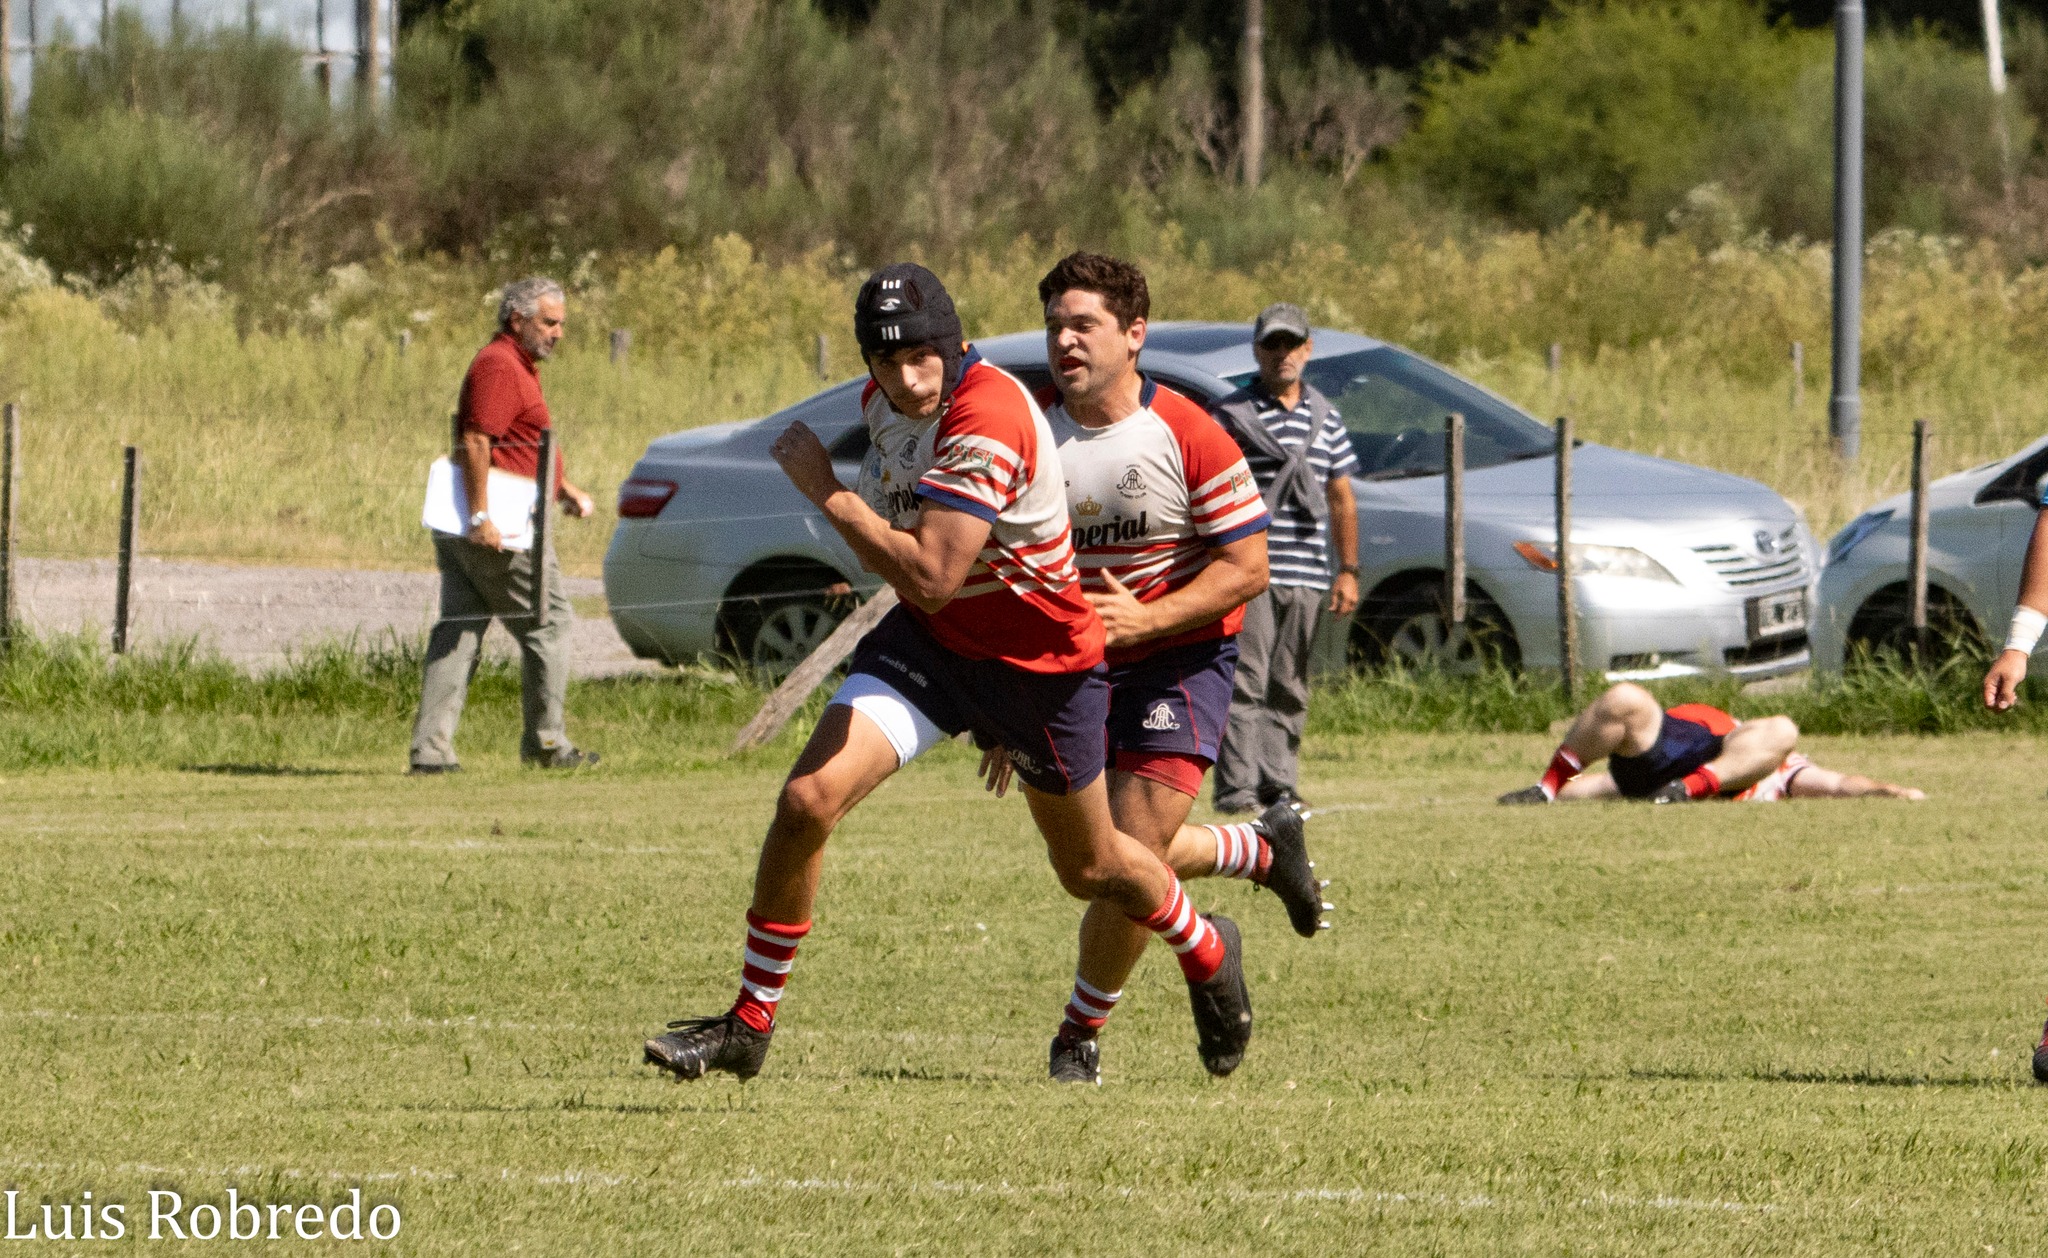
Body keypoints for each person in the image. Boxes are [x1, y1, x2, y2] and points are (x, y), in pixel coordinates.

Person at [642, 263, 1254, 1083]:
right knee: (806, 799)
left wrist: (826, 492)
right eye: (886, 362)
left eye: (922, 356)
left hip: (1040, 667)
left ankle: (1207, 946)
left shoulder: (989, 415)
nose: (906, 377)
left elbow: (930, 569)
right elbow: (924, 585)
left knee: (1092, 868)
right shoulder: (883, 408)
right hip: (934, 644)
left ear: (955, 343)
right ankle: (748, 1024)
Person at [1017, 251, 1332, 1085]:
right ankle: (1254, 851)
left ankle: (1078, 1034)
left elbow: (1249, 567)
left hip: (1178, 659)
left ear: (1135, 334)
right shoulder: (1032, 438)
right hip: (1072, 669)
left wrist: (1149, 616)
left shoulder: (1188, 430)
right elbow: (1015, 576)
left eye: (1083, 324)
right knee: (1089, 863)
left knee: (1126, 849)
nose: (1065, 342)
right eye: (1054, 326)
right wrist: (1005, 692)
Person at [409, 277, 597, 774]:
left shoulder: (517, 365)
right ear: (517, 320)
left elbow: (515, 446)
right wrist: (480, 518)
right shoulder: (498, 365)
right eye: (550, 322)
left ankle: (430, 753)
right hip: (496, 528)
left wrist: (562, 488)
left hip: (488, 519)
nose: (559, 333)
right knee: (550, 623)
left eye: (561, 324)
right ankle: (547, 745)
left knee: (459, 630)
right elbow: (475, 441)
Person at [1209, 302, 1361, 814]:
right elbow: (1208, 490)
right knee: (1245, 682)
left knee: (1291, 683)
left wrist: (1348, 570)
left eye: (1291, 344)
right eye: (1271, 345)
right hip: (1249, 570)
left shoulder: (1327, 418)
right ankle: (1237, 790)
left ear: (1308, 349)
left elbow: (1341, 496)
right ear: (1256, 351)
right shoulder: (1231, 415)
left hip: (1309, 572)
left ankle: (1279, 784)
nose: (1282, 355)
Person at [1494, 683, 1923, 804]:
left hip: (1701, 780)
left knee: (1784, 727)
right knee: (1625, 698)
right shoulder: (1746, 735)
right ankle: (1543, 788)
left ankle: (1689, 789)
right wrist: (1563, 789)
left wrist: (1889, 791)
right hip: (1667, 751)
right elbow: (1600, 787)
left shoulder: (1782, 766)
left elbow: (1836, 784)